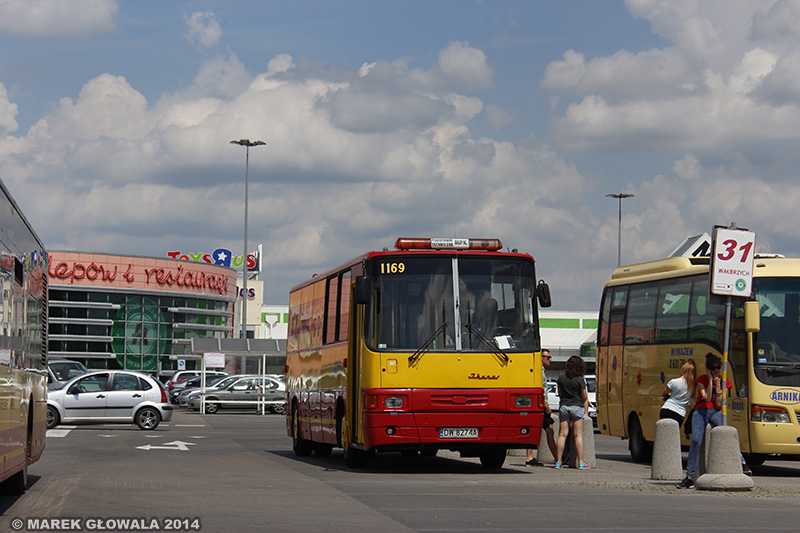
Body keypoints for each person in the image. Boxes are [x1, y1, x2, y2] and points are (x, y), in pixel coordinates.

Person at [677, 353, 751, 489]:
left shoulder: (725, 382)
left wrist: (718, 385)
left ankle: (742, 463)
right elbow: (706, 398)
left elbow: (718, 403)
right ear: (708, 369)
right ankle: (689, 476)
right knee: (696, 440)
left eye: (718, 368)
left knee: (727, 434)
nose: (716, 371)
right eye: (713, 368)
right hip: (701, 411)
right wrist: (711, 381)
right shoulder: (701, 380)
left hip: (716, 411)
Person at [554, 355, 590, 469]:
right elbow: (584, 396)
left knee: (562, 434)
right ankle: (581, 462)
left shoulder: (561, 378)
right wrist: (586, 410)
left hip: (564, 406)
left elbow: (560, 394)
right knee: (578, 435)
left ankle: (558, 461)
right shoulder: (579, 379)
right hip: (577, 407)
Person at [526, 349, 557, 466]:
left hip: (540, 405)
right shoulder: (538, 371)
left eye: (550, 357)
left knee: (547, 430)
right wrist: (546, 406)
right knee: (547, 430)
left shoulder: (541, 370)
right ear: (541, 358)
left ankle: (557, 457)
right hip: (540, 406)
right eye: (547, 357)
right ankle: (557, 458)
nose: (550, 359)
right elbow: (539, 390)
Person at [659, 361, 696, 426]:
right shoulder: (692, 387)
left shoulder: (674, 382)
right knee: (674, 432)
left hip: (667, 408)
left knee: (664, 430)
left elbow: (663, 393)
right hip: (680, 413)